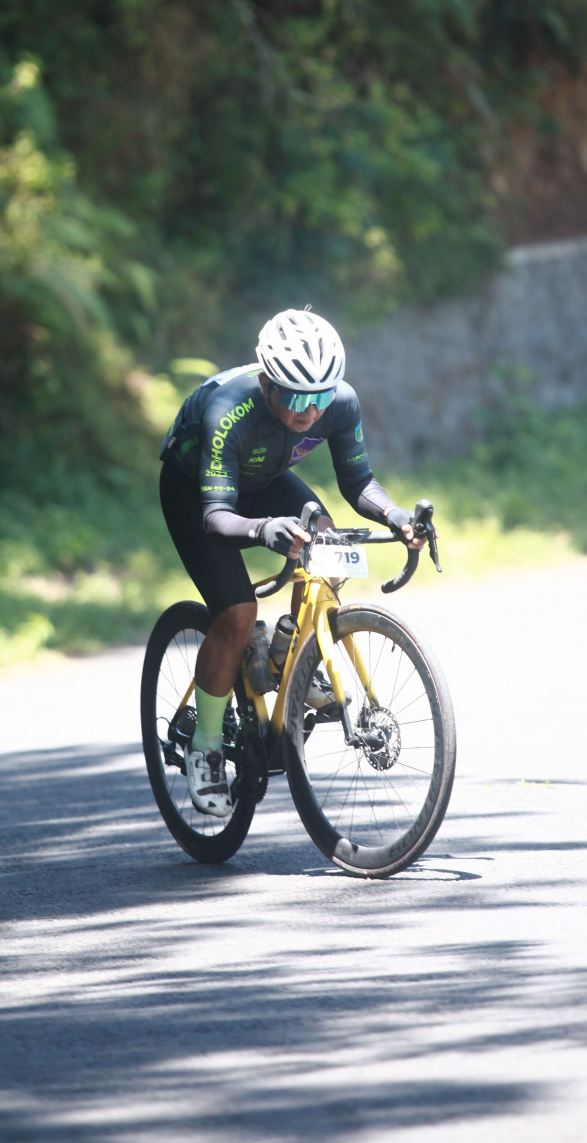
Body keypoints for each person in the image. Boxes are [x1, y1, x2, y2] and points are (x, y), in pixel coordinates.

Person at [159, 308, 426, 817]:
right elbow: (216, 518)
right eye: (298, 398)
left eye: (320, 397)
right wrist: (263, 529)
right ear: (267, 385)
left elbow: (358, 481)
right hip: (196, 491)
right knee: (236, 615)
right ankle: (206, 745)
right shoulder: (228, 410)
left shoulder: (338, 402)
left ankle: (292, 659)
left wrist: (396, 517)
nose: (311, 411)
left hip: (264, 477)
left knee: (328, 545)